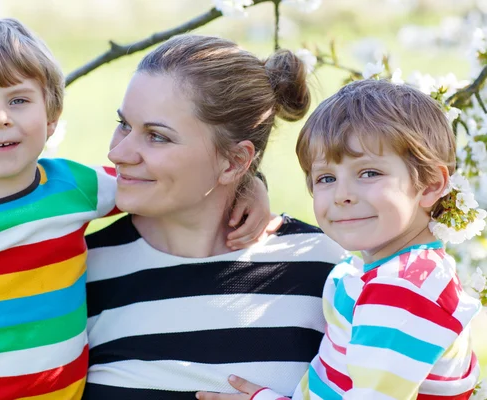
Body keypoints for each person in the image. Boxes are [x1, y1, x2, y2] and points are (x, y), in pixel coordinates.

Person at [0, 17, 272, 399]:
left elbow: (158, 183)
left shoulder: (73, 187)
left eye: (19, 100)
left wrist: (248, 184)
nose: (0, 119)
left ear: (51, 116)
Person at [83, 34, 349, 400]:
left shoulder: (328, 272)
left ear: (235, 161)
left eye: (157, 137)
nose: (118, 152)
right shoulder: (81, 270)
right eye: (124, 124)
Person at [197, 80, 483, 400]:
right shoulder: (383, 267)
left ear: (430, 184)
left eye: (369, 173)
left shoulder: (404, 288)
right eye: (327, 178)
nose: (343, 195)